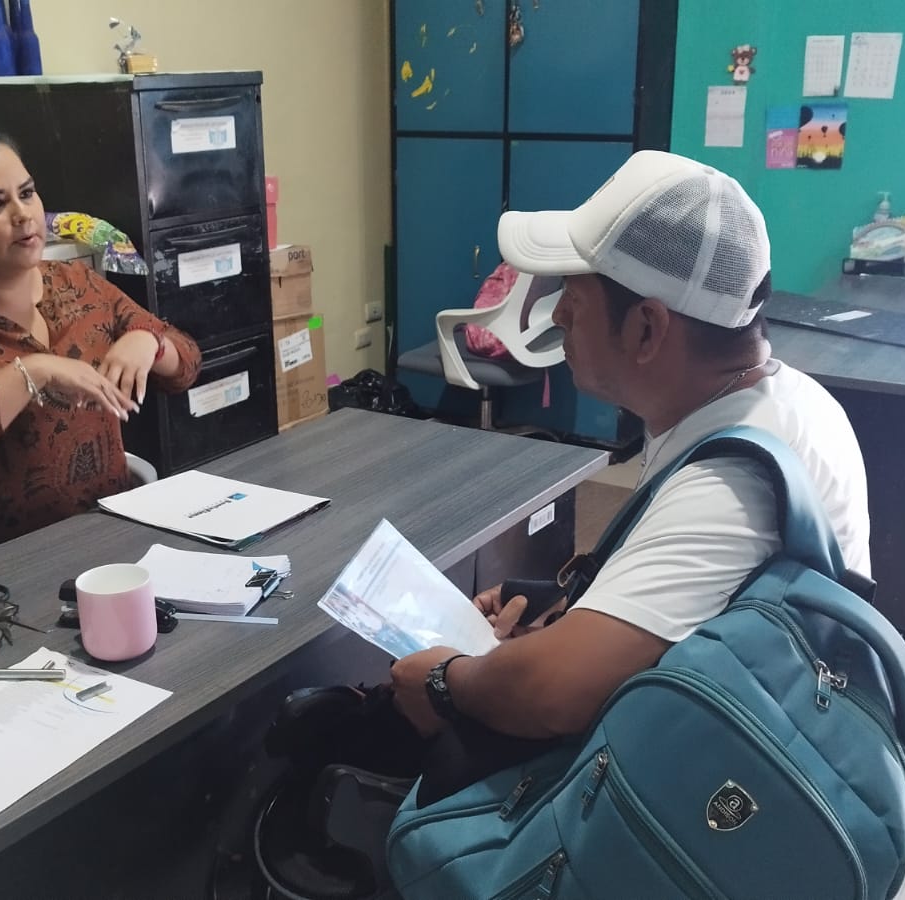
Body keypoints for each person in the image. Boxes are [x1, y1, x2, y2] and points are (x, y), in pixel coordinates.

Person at [271, 150, 871, 826]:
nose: (557, 319)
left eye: (573, 301)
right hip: (733, 724)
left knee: (402, 732)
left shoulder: (729, 485)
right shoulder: (788, 399)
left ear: (647, 328)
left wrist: (444, 679)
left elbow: (557, 691)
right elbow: (688, 607)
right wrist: (558, 603)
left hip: (699, 800)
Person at [0, 111, 201, 560]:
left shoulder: (78, 284)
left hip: (108, 538)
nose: (23, 215)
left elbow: (187, 363)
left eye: (26, 193)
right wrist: (33, 372)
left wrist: (149, 341)